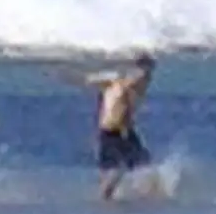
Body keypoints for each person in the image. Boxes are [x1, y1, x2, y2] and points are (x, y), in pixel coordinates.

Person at [65, 53, 158, 201]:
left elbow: (133, 84)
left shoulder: (134, 82)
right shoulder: (117, 82)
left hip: (123, 130)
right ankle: (107, 199)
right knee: (113, 171)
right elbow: (89, 81)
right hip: (111, 130)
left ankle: (140, 196)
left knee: (141, 165)